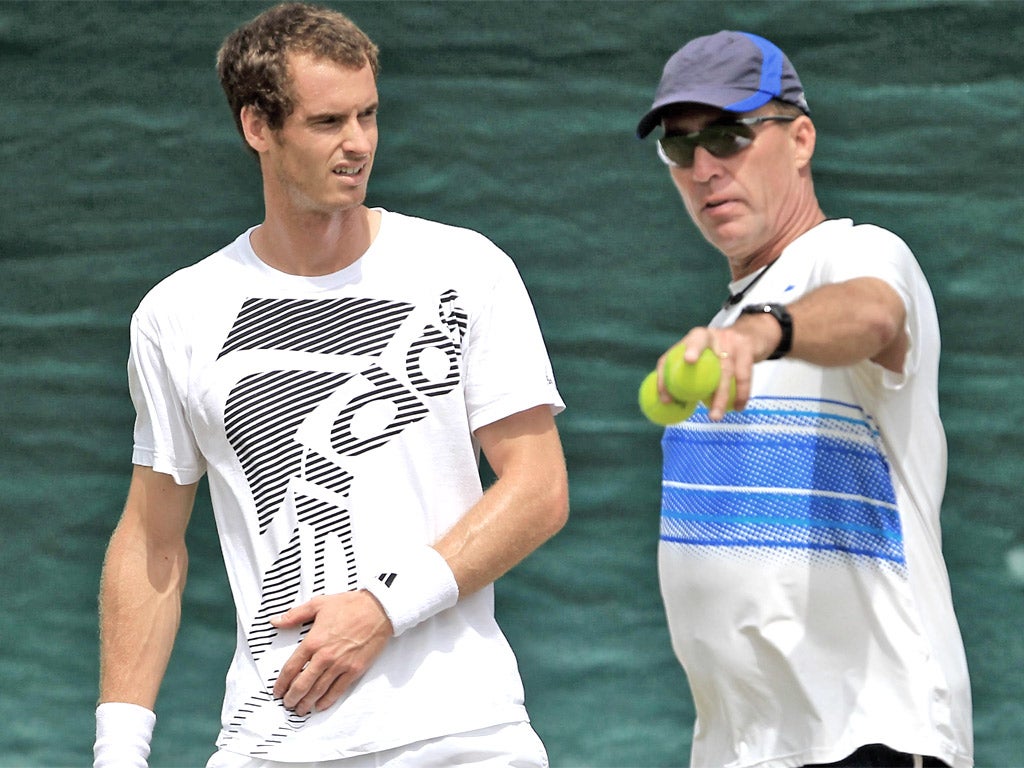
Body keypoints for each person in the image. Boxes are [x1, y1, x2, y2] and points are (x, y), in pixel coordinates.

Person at [93, 4, 568, 767]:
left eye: (369, 116)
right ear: (258, 126)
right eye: (327, 122)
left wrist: (386, 607)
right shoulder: (175, 315)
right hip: (269, 740)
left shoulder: (467, 269)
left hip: (462, 737)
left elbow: (539, 488)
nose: (358, 144)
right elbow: (152, 540)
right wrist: (118, 750)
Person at [636, 31, 973, 768]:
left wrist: (768, 332)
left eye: (728, 135)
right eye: (679, 145)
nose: (703, 167)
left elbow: (874, 314)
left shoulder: (854, 253)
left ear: (800, 140)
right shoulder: (721, 331)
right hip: (743, 750)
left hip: (869, 739)